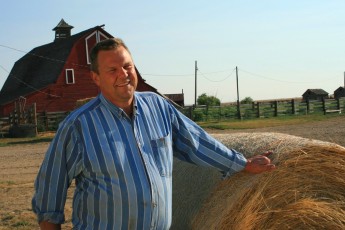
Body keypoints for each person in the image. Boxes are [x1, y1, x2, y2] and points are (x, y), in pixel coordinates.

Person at [32, 38, 275, 230]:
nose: (123, 74)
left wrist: (241, 163)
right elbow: (49, 194)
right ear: (95, 78)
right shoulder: (78, 126)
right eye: (112, 70)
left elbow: (197, 142)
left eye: (128, 66)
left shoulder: (158, 107)